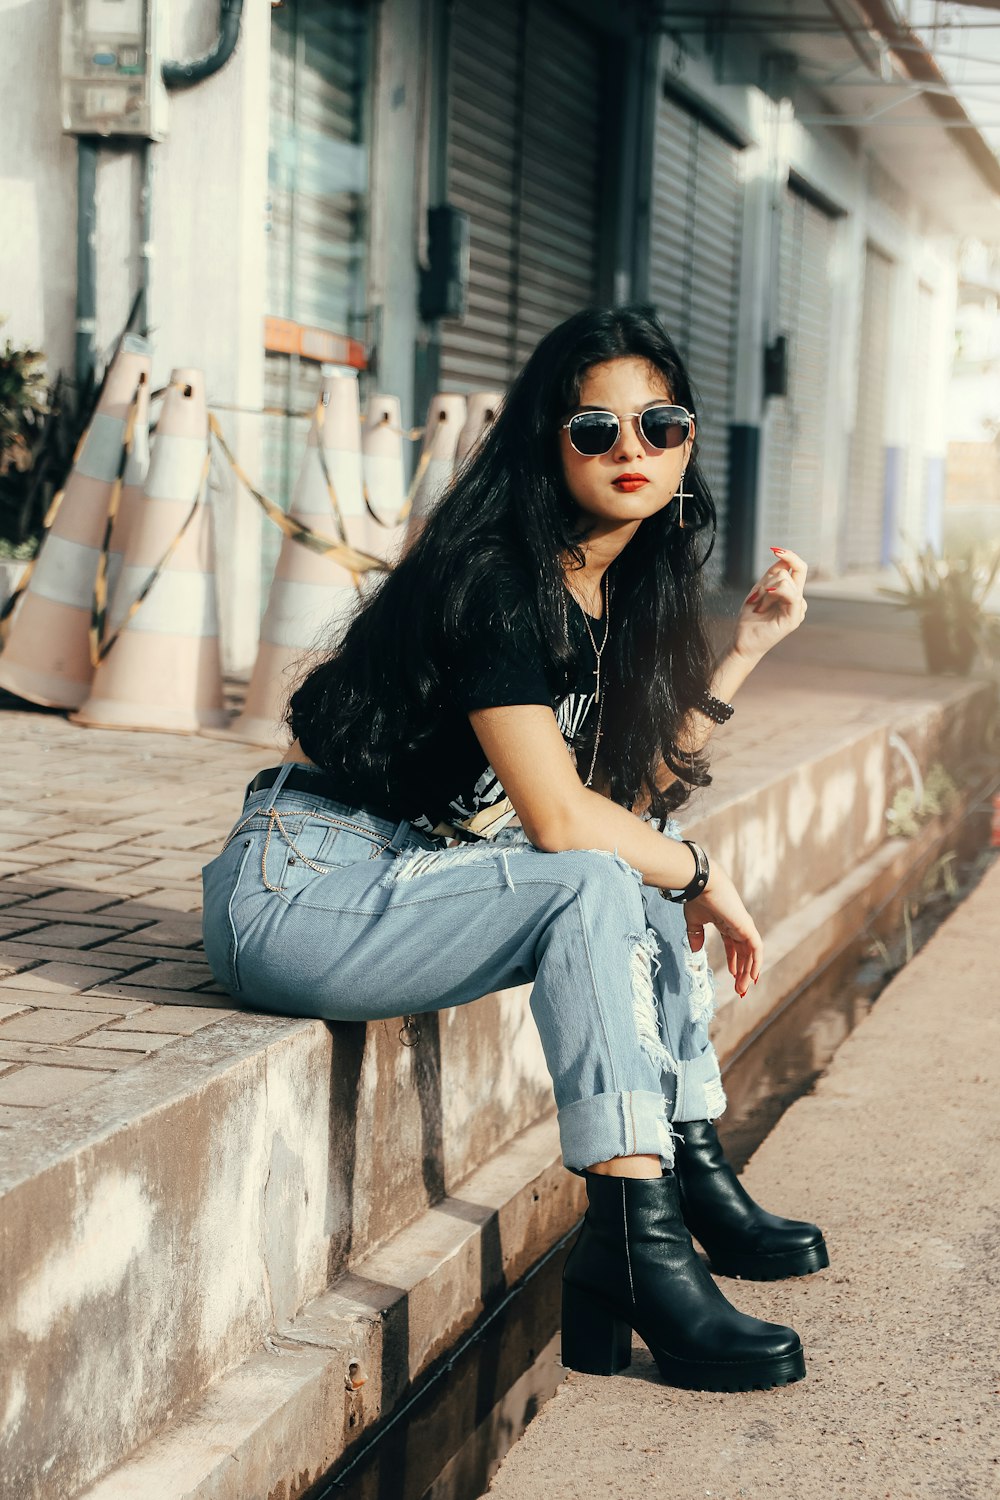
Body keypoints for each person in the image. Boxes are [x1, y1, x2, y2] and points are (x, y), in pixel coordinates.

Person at [202, 305, 827, 1394]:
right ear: (550, 444)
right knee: (607, 866)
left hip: (407, 871)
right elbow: (562, 825)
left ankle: (676, 1188)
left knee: (625, 861)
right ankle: (642, 1243)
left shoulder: (608, 588)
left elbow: (621, 802)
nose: (631, 451)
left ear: (686, 443)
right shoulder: (497, 576)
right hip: (304, 886)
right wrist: (707, 878)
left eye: (659, 425)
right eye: (596, 431)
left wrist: (740, 656)